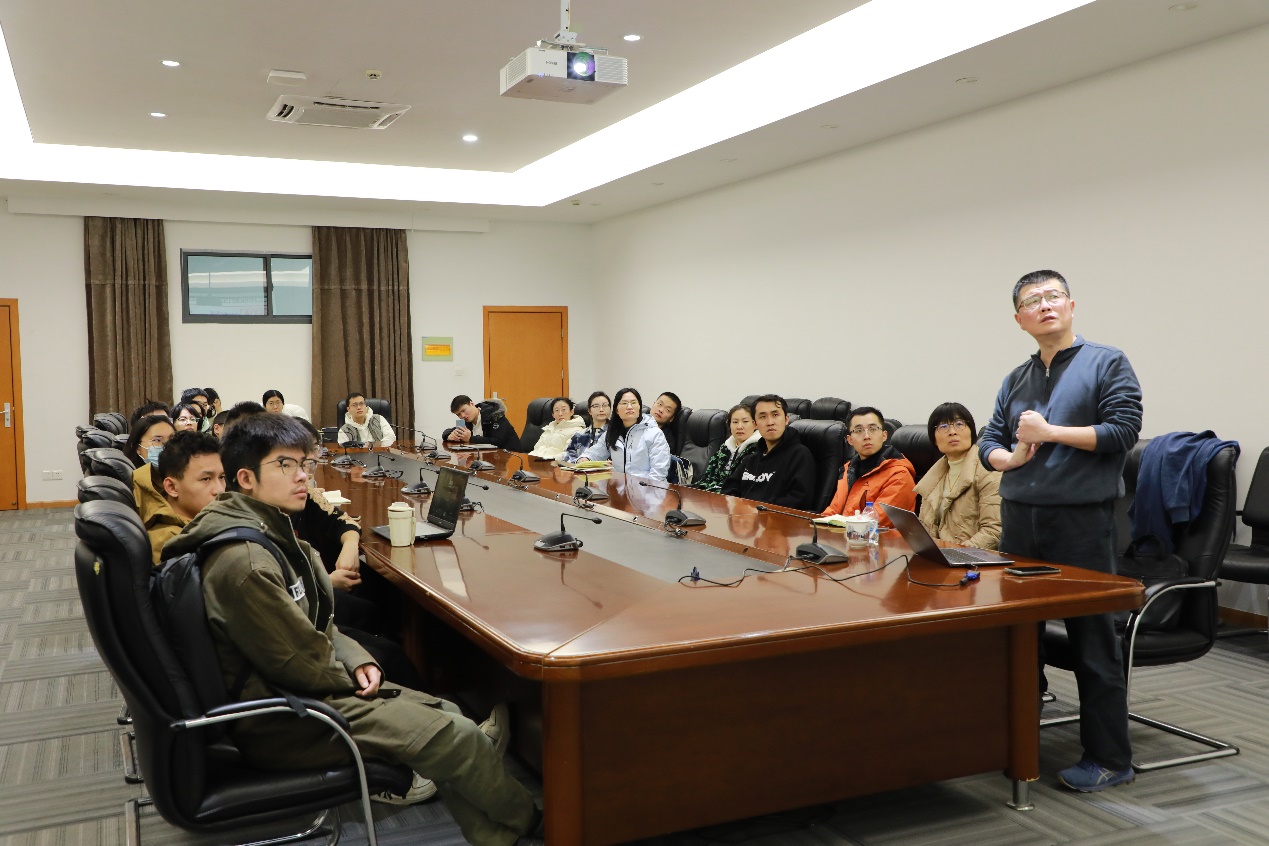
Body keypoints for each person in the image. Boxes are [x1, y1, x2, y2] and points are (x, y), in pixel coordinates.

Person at [163, 413, 542, 841]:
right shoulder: (247, 561)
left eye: (304, 463)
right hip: (290, 719)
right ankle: (530, 822)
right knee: (457, 735)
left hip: (302, 694)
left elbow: (318, 623)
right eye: (285, 465)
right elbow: (298, 661)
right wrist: (354, 677)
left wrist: (358, 658)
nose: (302, 475)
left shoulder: (271, 532)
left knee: (451, 716)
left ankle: (498, 837)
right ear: (246, 478)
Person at [980, 269, 1142, 793]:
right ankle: (1018, 740)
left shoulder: (1106, 361)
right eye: (1033, 300)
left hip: (1081, 521)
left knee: (1093, 640)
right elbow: (989, 439)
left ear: (1072, 305)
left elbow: (1123, 431)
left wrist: (1050, 432)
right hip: (1020, 520)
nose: (1045, 305)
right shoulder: (1016, 377)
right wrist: (1010, 458)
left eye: (1054, 296)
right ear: (1019, 319)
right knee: (1018, 638)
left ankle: (1110, 758)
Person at [913, 403, 1002, 549]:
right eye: (943, 426)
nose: (952, 432)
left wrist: (957, 554)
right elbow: (925, 527)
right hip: (938, 555)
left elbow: (994, 531)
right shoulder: (933, 477)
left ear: (971, 431)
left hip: (974, 557)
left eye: (959, 424)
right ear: (934, 439)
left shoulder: (989, 471)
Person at [821, 406, 916, 527]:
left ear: (884, 435)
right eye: (859, 430)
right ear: (850, 440)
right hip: (845, 534)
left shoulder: (899, 475)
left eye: (873, 429)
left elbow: (877, 522)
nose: (867, 436)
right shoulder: (848, 469)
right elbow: (833, 511)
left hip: (875, 537)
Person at [721, 395, 816, 510]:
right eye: (762, 417)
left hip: (776, 519)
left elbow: (800, 500)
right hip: (744, 519)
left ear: (786, 419)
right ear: (755, 424)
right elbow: (728, 491)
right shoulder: (750, 460)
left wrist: (757, 509)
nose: (770, 422)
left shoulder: (800, 455)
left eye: (775, 415)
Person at [144, 430, 225, 565]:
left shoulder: (205, 523)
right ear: (171, 487)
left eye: (222, 477)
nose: (220, 490)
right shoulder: (167, 543)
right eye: (206, 479)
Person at [581, 388, 670, 481]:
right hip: (619, 487)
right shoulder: (612, 433)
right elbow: (594, 453)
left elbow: (659, 473)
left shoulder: (655, 434)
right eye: (624, 403)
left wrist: (642, 489)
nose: (629, 407)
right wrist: (585, 458)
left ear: (639, 407)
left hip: (647, 487)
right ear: (616, 410)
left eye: (633, 403)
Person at [695, 404, 761, 494]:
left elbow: (743, 487)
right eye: (735, 422)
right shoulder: (724, 448)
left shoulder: (758, 450)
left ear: (755, 424)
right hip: (713, 495)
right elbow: (708, 477)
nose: (739, 426)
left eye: (745, 421)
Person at [443, 395, 520, 451]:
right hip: (487, 458)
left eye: (463, 410)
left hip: (511, 457)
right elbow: (449, 431)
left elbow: (497, 442)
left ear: (472, 404)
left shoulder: (494, 415)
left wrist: (470, 439)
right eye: (458, 414)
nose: (462, 416)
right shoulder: (467, 421)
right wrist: (449, 436)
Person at [562, 391, 610, 463]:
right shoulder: (580, 435)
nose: (601, 409)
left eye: (605, 405)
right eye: (596, 406)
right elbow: (567, 455)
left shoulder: (615, 434)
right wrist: (579, 462)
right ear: (589, 411)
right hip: (579, 469)